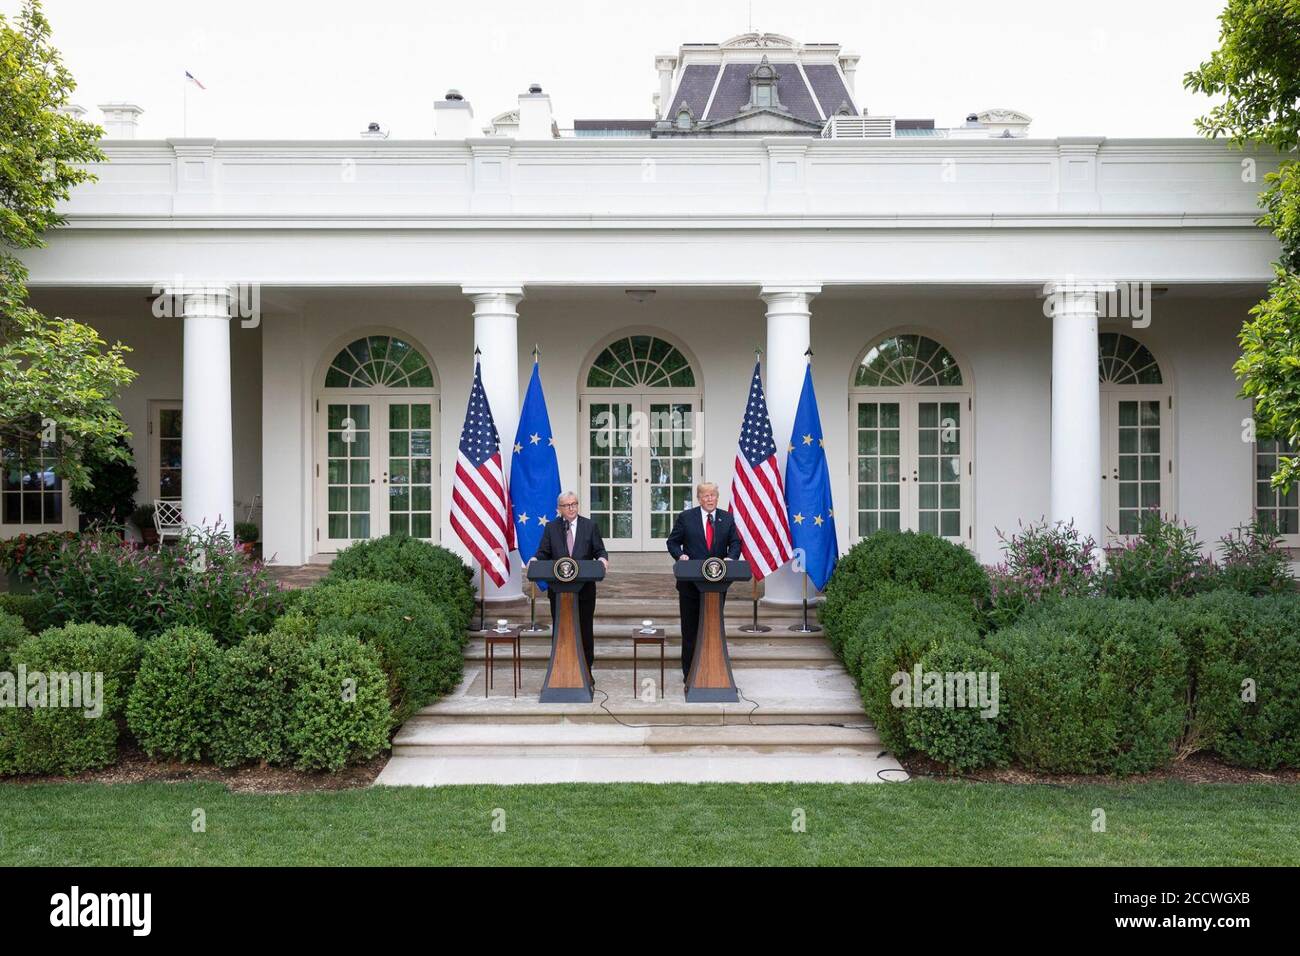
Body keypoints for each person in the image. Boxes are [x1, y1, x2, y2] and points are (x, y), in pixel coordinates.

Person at [665, 481, 741, 683]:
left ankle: (714, 667)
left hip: (717, 585)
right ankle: (690, 673)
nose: (709, 499)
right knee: (690, 629)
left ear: (717, 497)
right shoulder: (686, 518)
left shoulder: (727, 518)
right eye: (705, 496)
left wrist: (731, 558)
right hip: (690, 585)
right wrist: (680, 556)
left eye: (713, 495)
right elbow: (672, 542)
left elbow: (735, 543)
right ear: (699, 498)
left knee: (712, 627)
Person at [530, 491, 608, 681]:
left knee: (585, 631)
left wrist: (603, 559)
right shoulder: (551, 528)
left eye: (574, 504)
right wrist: (535, 559)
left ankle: (586, 673)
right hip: (558, 593)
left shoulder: (589, 526)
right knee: (561, 631)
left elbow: (600, 550)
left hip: (584, 591)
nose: (572, 508)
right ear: (559, 509)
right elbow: (543, 553)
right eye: (567, 505)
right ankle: (560, 672)